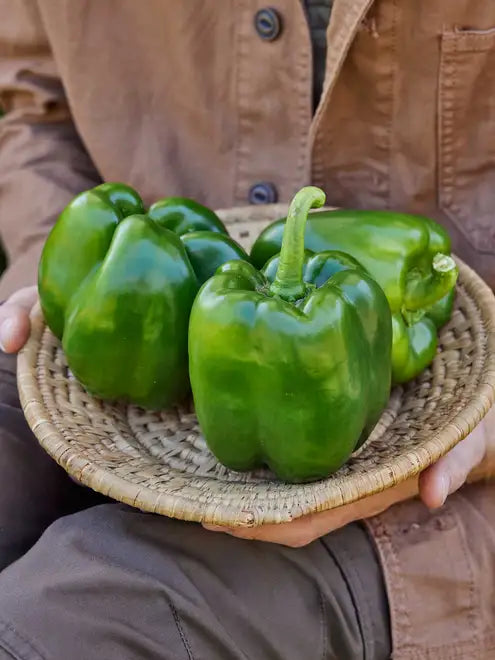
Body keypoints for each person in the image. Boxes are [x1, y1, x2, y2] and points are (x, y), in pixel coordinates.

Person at [0, 1, 494, 658]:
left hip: (452, 475)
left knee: (51, 631)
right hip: (119, 362)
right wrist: (65, 285)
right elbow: (39, 110)